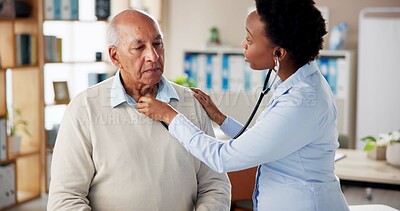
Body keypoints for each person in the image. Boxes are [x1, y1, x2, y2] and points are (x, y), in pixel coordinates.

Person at [136, 0, 350, 210]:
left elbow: (223, 157)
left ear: (279, 53)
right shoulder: (300, 81)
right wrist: (221, 119)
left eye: (249, 38)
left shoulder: (301, 102)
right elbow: (264, 141)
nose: (243, 44)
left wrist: (169, 115)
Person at [47, 9, 231, 211]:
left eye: (157, 44)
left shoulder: (192, 103)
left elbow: (215, 185)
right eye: (139, 47)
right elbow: (65, 200)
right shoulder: (84, 109)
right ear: (115, 56)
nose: (153, 56)